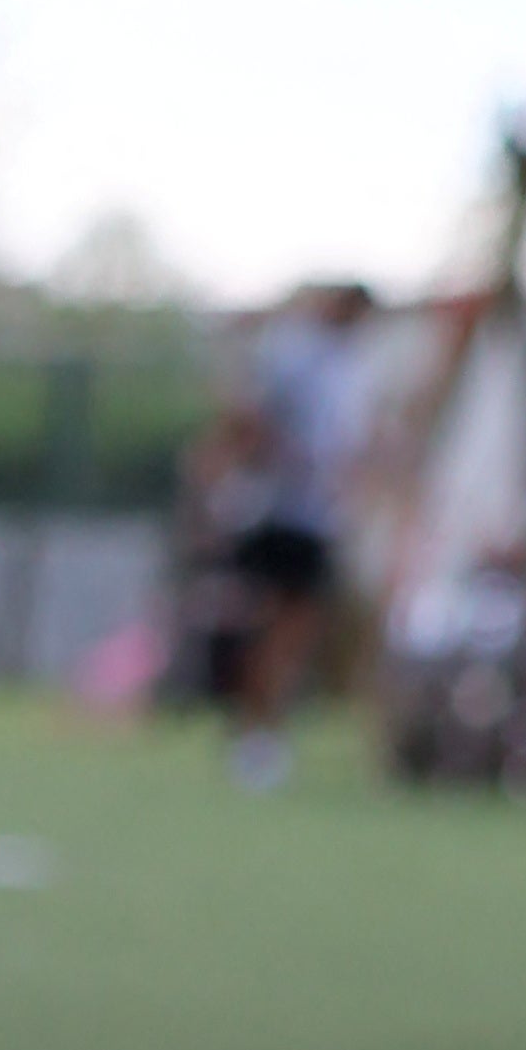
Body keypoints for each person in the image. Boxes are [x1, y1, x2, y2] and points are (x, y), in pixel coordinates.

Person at [217, 280, 377, 787]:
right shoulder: (295, 353)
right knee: (279, 629)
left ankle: (262, 733)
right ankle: (255, 734)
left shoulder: (341, 362)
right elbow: (249, 419)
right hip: (280, 514)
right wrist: (285, 465)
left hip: (313, 515)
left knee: (294, 632)